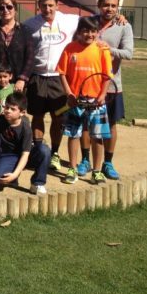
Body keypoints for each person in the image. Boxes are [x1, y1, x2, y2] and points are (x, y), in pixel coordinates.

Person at [77, 0, 134, 180]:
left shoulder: (123, 26)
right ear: (99, 4)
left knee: (110, 124)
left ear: (118, 7)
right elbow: (76, 42)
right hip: (86, 84)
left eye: (113, 5)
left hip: (111, 85)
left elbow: (129, 53)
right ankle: (85, 160)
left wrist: (109, 49)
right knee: (86, 124)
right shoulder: (89, 22)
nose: (109, 9)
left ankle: (108, 163)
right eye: (106, 5)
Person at [22, 0, 80, 173]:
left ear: (57, 5)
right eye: (44, 5)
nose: (47, 9)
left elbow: (96, 22)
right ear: (38, 5)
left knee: (59, 117)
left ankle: (54, 153)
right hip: (37, 78)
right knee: (37, 116)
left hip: (59, 79)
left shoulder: (70, 20)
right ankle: (39, 151)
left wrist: (119, 18)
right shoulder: (30, 24)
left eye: (51, 5)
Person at [57, 16, 113, 185]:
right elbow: (62, 73)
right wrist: (69, 94)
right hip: (76, 102)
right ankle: (72, 169)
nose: (89, 34)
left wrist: (102, 95)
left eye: (93, 31)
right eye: (86, 31)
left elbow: (107, 76)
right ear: (79, 32)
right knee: (73, 135)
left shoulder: (102, 50)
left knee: (97, 137)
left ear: (97, 32)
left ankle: (96, 171)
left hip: (96, 102)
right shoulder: (70, 48)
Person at [0, 91, 51, 196]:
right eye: (6, 107)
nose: (7, 111)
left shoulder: (26, 127)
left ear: (22, 112)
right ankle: (11, 178)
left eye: (13, 109)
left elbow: (25, 154)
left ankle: (37, 183)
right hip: (8, 155)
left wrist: (14, 174)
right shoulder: (0, 120)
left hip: (26, 154)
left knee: (45, 150)